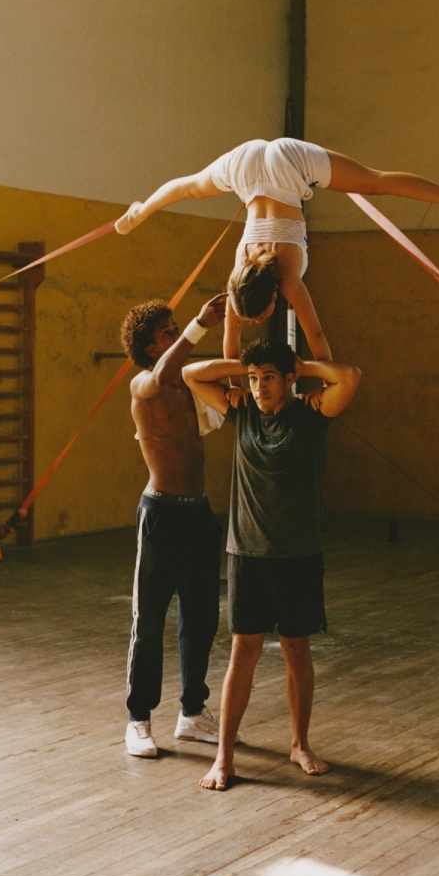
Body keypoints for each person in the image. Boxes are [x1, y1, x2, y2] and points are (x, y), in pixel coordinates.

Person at [115, 137, 439, 361]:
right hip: (250, 164)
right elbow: (231, 340)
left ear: (274, 294)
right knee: (190, 188)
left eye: (260, 316)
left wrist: (327, 373)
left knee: (372, 183)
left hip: (285, 166)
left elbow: (316, 337)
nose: (259, 320)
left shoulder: (289, 278)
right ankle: (141, 210)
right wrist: (233, 386)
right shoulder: (238, 279)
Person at [183, 338, 361, 790]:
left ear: (288, 379)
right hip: (247, 553)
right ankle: (224, 757)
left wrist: (303, 366)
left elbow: (350, 377)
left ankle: (300, 743)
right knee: (243, 651)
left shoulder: (312, 415)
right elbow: (190, 374)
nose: (259, 387)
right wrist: (244, 366)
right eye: (253, 379)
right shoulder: (241, 410)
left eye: (268, 378)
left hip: (298, 554)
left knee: (296, 650)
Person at [119, 292, 229, 759]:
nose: (178, 334)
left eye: (177, 328)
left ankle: (192, 713)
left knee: (201, 617)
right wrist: (201, 325)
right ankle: (138, 720)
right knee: (149, 621)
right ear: (149, 347)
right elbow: (165, 372)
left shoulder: (184, 385)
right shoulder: (146, 384)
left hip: (198, 513)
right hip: (161, 513)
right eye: (169, 332)